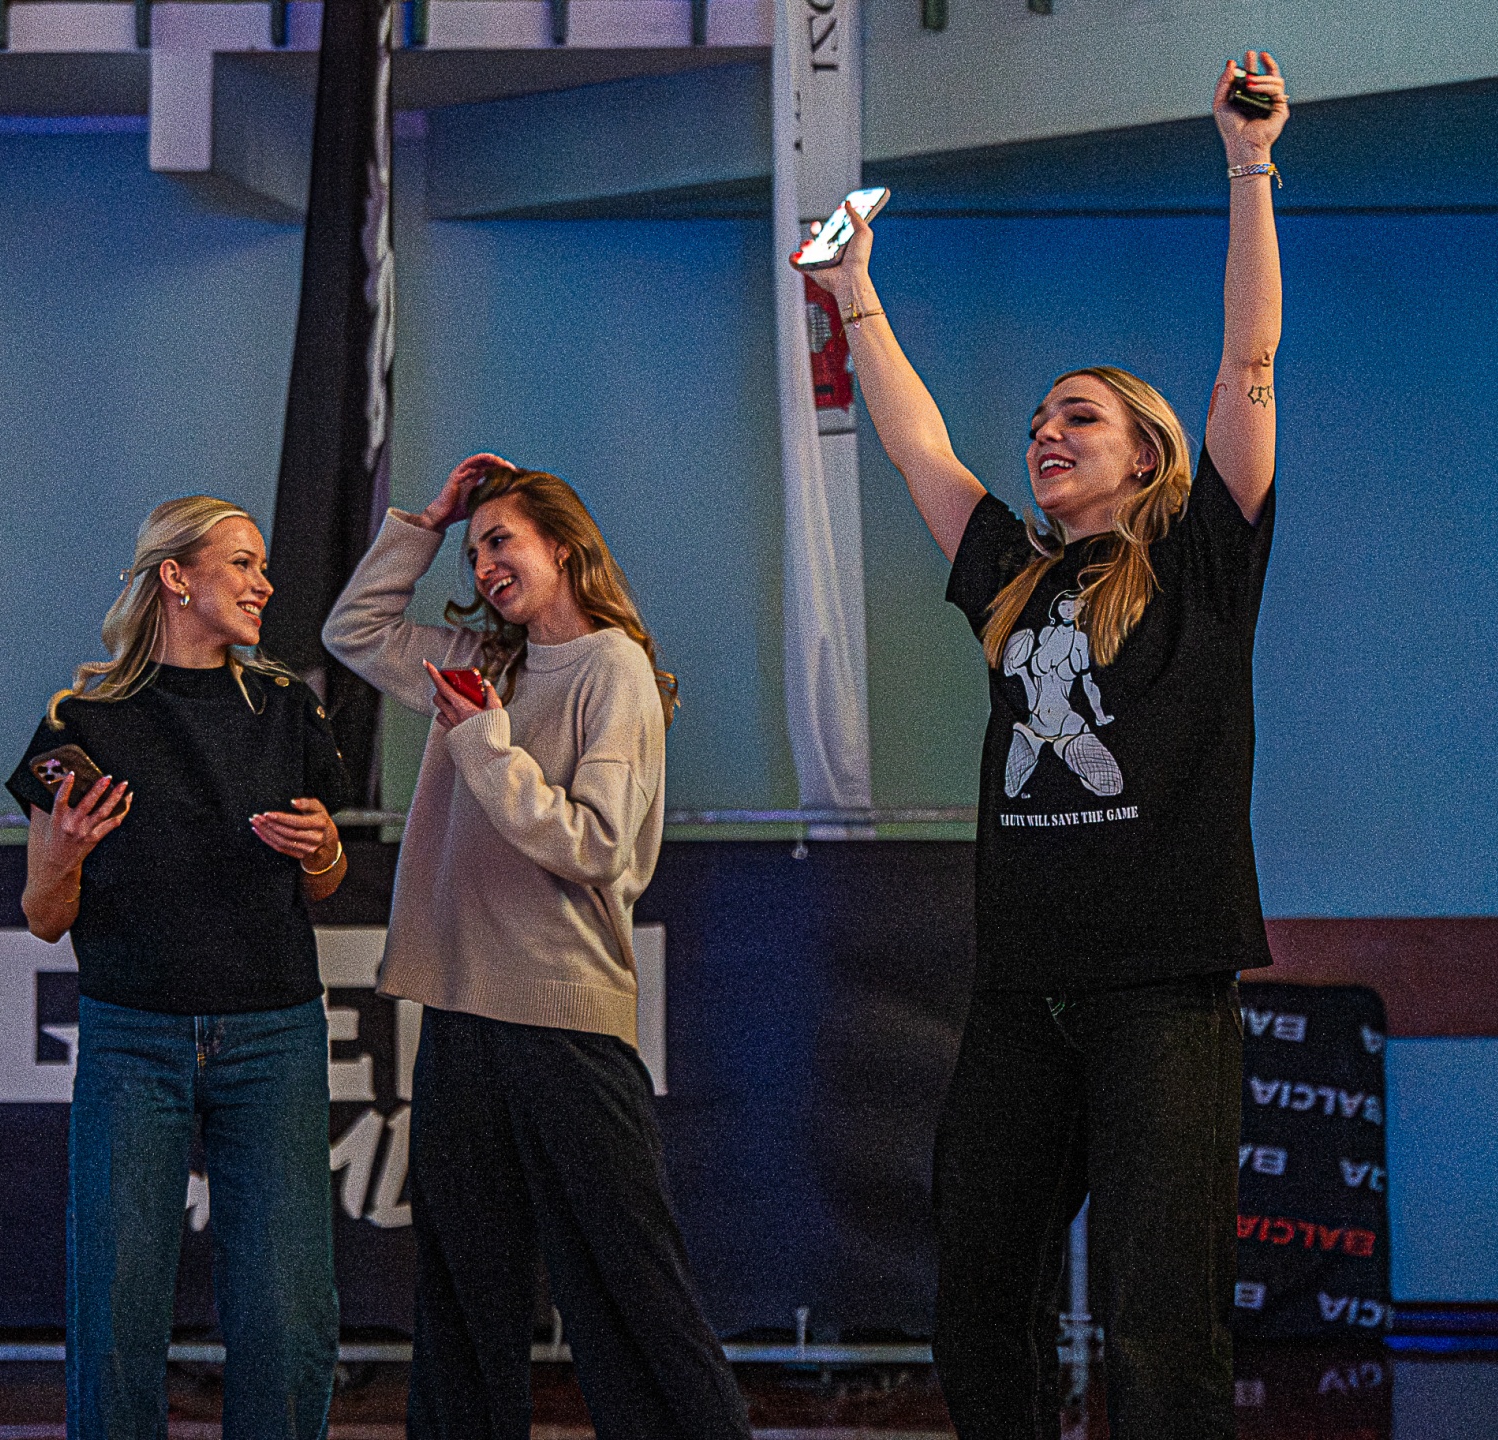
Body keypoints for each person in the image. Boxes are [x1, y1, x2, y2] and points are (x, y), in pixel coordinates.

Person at [806, 54, 1291, 1440]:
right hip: (1023, 991)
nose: (1045, 435)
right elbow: (917, 447)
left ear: (1148, 454)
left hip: (1162, 990)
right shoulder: (1014, 580)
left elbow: (1249, 361)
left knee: (1156, 1320)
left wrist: (1248, 162)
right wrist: (852, 290)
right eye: (1035, 424)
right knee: (978, 1296)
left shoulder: (1206, 563)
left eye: (1078, 417)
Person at [324, 457, 751, 1440]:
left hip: (563, 1023)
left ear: (563, 545)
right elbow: (354, 633)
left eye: (500, 540)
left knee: (627, 1285)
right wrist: (427, 523)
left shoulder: (613, 667)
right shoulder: (486, 665)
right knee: (462, 1294)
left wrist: (484, 745)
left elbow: (596, 844)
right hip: (462, 1016)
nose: (484, 564)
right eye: (474, 551)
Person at [5, 495, 351, 1440]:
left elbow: (326, 882)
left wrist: (322, 849)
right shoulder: (79, 723)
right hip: (132, 1037)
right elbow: (43, 919)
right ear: (175, 577)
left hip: (274, 1036)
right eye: (242, 563)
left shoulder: (287, 708)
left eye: (263, 566)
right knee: (116, 1307)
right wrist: (63, 858)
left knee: (289, 1308)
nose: (263, 584)